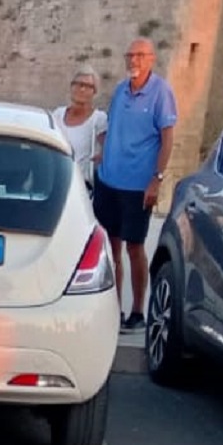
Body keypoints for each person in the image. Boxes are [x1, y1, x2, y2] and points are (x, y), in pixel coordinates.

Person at [96, 39, 178, 330]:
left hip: (137, 185)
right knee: (110, 247)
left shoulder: (161, 92)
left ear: (151, 59)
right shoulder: (120, 91)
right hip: (109, 181)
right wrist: (103, 154)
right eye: (130, 55)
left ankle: (137, 312)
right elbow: (113, 129)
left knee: (134, 247)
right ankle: (114, 309)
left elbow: (167, 138)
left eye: (140, 55)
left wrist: (157, 179)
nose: (134, 60)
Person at [51, 66, 106, 189]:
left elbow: (107, 149)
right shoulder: (58, 115)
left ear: (94, 91)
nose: (82, 89)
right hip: (56, 183)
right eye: (78, 84)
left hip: (81, 185)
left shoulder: (98, 119)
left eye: (88, 86)